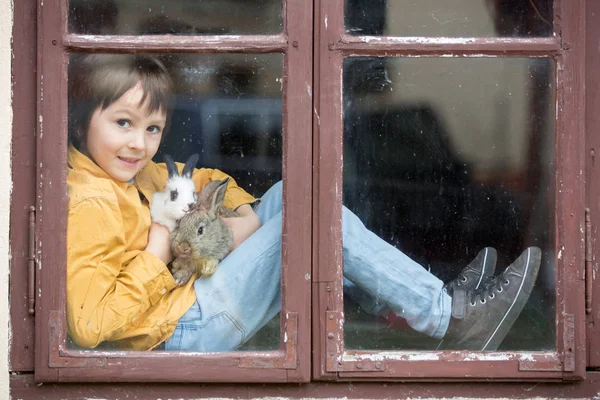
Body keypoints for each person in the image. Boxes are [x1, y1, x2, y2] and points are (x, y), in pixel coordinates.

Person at [66, 53, 541, 352]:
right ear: (85, 119)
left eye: (152, 129)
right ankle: (448, 316)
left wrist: (242, 219)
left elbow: (207, 178)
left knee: (288, 200)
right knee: (311, 219)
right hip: (178, 333)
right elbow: (90, 325)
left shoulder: (139, 174)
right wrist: (159, 246)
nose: (138, 144)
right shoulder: (89, 201)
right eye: (123, 123)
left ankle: (415, 302)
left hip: (189, 302)